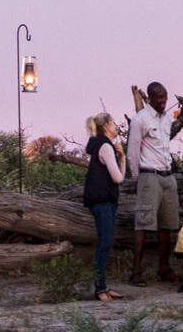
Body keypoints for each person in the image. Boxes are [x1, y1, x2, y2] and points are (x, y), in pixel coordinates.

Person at [124, 81, 180, 285]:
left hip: (167, 174)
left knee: (167, 224)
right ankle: (136, 272)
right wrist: (137, 177)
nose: (163, 102)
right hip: (149, 174)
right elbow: (133, 150)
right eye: (158, 98)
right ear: (150, 98)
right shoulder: (140, 119)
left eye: (165, 98)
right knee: (144, 223)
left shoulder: (167, 119)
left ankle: (164, 268)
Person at [82, 113, 128, 301]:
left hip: (103, 199)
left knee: (106, 242)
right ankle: (100, 288)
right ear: (106, 126)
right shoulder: (105, 147)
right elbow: (118, 178)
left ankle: (103, 286)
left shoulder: (100, 146)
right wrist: (122, 159)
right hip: (102, 200)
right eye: (114, 123)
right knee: (104, 243)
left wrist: (122, 157)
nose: (116, 126)